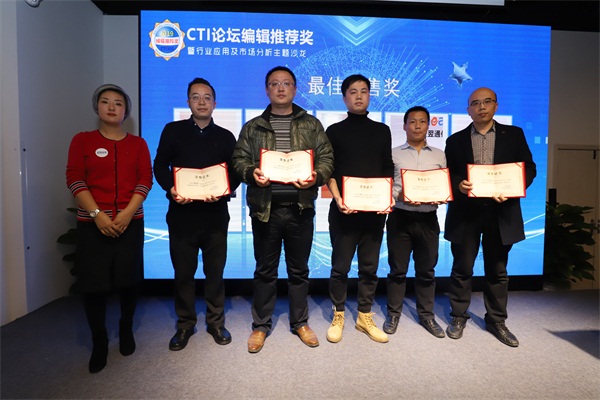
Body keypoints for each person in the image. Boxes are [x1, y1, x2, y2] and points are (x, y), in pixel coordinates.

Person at [232, 66, 334, 353]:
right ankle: (260, 325)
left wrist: (316, 176)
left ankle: (300, 322)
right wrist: (252, 173)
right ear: (267, 90)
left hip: (301, 208)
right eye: (275, 84)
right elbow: (238, 159)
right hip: (266, 209)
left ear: (295, 89)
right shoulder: (253, 127)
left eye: (286, 83)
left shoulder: (311, 124)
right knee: (265, 270)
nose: (280, 88)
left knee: (299, 270)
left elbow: (326, 158)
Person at [66, 84, 153, 373]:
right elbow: (74, 179)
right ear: (97, 107)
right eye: (105, 102)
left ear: (126, 110)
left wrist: (127, 214)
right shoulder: (82, 140)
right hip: (92, 225)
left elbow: (145, 180)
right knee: (94, 285)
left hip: (130, 222)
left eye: (118, 103)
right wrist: (97, 215)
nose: (112, 107)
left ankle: (126, 329)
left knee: (129, 281)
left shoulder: (138, 144)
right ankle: (100, 341)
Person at [444, 87, 536, 347]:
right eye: (475, 103)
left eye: (487, 102)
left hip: (501, 212)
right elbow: (447, 173)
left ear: (496, 105)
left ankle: (496, 320)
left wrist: (513, 189)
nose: (481, 107)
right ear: (468, 110)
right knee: (462, 268)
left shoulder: (514, 134)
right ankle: (458, 316)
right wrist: (458, 184)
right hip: (466, 213)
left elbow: (529, 168)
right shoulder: (455, 140)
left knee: (497, 269)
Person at [153, 78, 240, 351]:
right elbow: (160, 166)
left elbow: (236, 173)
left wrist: (223, 191)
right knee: (183, 274)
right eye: (195, 97)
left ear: (215, 103)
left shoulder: (226, 136)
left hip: (215, 216)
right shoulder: (173, 131)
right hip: (182, 215)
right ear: (188, 102)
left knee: (215, 273)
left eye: (207, 97)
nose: (201, 102)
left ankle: (216, 322)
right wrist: (171, 189)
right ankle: (185, 324)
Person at [326, 74, 394, 344]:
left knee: (369, 267)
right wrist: (338, 198)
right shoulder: (334, 131)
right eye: (353, 91)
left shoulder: (382, 130)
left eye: (363, 91)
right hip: (343, 211)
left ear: (369, 96)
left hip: (374, 212)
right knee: (340, 267)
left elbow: (387, 167)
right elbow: (329, 170)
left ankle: (364, 315)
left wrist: (387, 198)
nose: (358, 96)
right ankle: (338, 313)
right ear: (344, 97)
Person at [383, 106, 447, 338]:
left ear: (428, 125)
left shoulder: (439, 155)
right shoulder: (393, 154)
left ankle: (427, 316)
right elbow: (386, 186)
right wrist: (397, 195)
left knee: (426, 271)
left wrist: (442, 195)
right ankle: (393, 314)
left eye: (422, 121)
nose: (417, 126)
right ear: (404, 126)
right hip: (400, 217)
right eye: (412, 122)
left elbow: (444, 184)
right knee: (397, 271)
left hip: (428, 218)